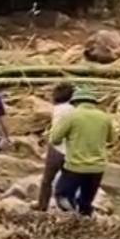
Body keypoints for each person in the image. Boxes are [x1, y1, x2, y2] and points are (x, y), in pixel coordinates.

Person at [50, 88, 115, 215]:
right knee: (86, 202)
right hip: (97, 168)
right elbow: (111, 139)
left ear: (75, 102)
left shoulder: (71, 116)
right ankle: (85, 224)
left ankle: (72, 217)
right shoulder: (105, 117)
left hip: (75, 167)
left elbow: (55, 139)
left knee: (62, 195)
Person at [37, 82, 76, 211]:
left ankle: (42, 206)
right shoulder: (74, 110)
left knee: (47, 179)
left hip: (57, 148)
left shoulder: (58, 109)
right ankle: (69, 207)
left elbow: (56, 132)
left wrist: (47, 138)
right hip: (70, 150)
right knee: (68, 180)